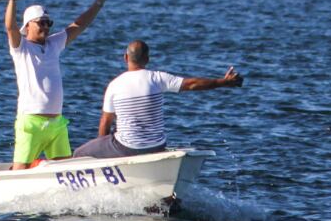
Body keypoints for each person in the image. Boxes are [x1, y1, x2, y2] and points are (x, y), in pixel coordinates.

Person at [72, 41, 243, 160]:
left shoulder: (115, 85)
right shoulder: (158, 78)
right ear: (147, 59)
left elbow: (105, 122)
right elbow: (192, 84)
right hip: (157, 146)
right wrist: (224, 82)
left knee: (79, 153)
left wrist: (102, 151)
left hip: (126, 148)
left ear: (126, 58)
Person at [4, 0, 107, 168]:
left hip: (57, 124)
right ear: (27, 26)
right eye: (40, 23)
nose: (46, 26)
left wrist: (99, 1)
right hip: (31, 123)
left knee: (65, 170)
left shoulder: (54, 44)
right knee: (19, 172)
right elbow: (10, 28)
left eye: (48, 22)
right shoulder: (21, 48)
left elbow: (79, 25)